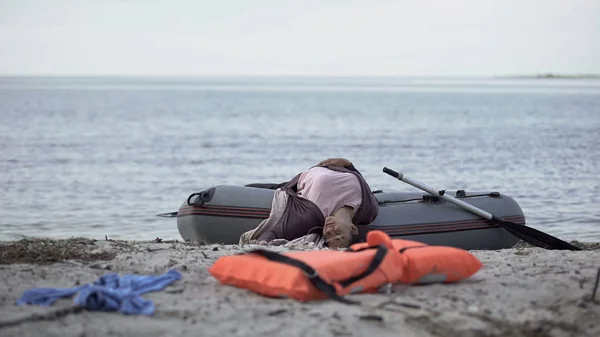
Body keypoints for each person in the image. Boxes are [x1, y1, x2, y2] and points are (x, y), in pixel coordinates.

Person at [241, 158, 379, 249]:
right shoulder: (369, 210)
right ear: (353, 228)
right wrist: (348, 164)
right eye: (338, 233)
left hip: (299, 181)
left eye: (328, 236)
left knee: (248, 187)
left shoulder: (309, 217)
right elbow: (361, 181)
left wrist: (262, 245)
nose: (330, 230)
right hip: (332, 166)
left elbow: (272, 234)